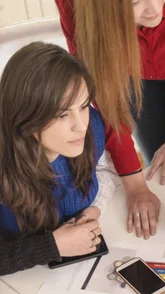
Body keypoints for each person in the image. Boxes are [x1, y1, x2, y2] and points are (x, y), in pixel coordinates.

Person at [54, 0, 165, 238]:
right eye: (135, 3)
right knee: (156, 161)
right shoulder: (75, 6)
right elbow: (107, 99)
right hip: (126, 71)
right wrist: (135, 187)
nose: (156, 10)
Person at [0, 42, 117, 275]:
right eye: (62, 114)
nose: (81, 125)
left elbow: (104, 171)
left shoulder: (92, 124)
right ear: (25, 117)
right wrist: (51, 246)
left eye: (83, 106)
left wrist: (95, 209)